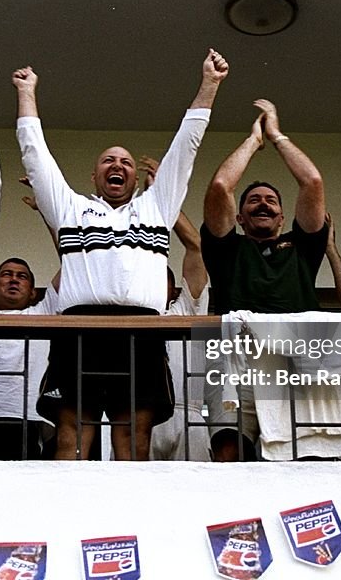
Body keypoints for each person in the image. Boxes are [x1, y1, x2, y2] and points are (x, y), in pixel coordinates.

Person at [14, 49, 228, 461]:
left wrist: (209, 86)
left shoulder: (156, 206)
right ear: (94, 176)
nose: (118, 165)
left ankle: (134, 522)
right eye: (108, 161)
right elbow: (35, 155)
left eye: (126, 161)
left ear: (138, 175)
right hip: (80, 331)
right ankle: (68, 525)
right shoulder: (70, 208)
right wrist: (27, 93)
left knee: (133, 441)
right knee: (72, 436)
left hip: (142, 332)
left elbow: (186, 149)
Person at [201, 99, 327, 461]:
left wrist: (276, 136)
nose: (263, 204)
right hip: (233, 359)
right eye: (253, 201)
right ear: (239, 218)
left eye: (271, 200)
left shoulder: (301, 249)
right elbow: (221, 187)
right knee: (229, 450)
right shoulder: (229, 249)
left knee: (298, 455)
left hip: (293, 361)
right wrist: (253, 142)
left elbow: (313, 182)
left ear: (284, 216)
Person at [138, 157, 211, 462]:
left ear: (173, 286)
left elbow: (196, 246)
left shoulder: (184, 308)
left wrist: (164, 199)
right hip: (141, 416)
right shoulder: (132, 314)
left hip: (188, 415)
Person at [0, 257, 59, 460]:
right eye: (6, 274)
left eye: (22, 276)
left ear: (33, 291)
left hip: (30, 419)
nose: (14, 280)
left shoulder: (43, 313)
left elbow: (73, 263)